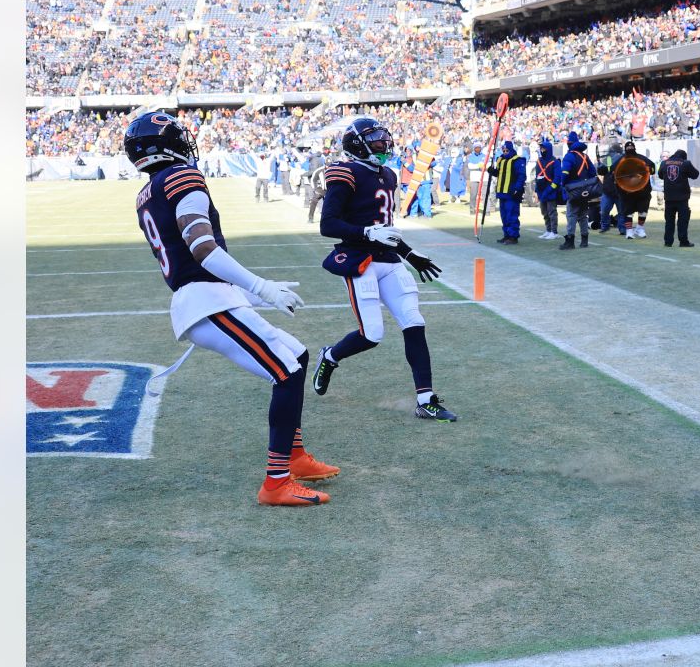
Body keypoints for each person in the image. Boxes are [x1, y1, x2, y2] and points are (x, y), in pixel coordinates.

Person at [124, 111, 336, 507]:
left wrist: (251, 295)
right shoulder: (180, 178)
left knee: (298, 354)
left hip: (209, 298)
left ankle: (295, 456)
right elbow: (201, 249)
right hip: (205, 303)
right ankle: (276, 482)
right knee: (286, 372)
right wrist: (261, 288)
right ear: (162, 144)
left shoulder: (149, 191)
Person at [310, 117, 458, 422]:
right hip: (360, 261)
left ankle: (426, 400)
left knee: (414, 322)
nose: (384, 143)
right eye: (376, 139)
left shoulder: (388, 175)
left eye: (384, 138)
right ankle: (330, 356)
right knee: (372, 334)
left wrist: (409, 254)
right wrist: (365, 233)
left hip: (389, 261)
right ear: (357, 144)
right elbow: (328, 225)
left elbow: (385, 229)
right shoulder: (345, 172)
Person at [559, 131, 599, 250]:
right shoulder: (585, 156)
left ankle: (570, 240)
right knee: (583, 215)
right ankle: (584, 240)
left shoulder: (569, 156)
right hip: (585, 190)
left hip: (573, 190)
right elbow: (592, 173)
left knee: (571, 215)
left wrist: (563, 185)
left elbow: (564, 173)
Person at [609, 141, 656, 239]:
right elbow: (611, 170)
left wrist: (649, 169)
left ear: (634, 148)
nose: (630, 150)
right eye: (628, 148)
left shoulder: (642, 158)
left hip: (643, 191)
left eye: (631, 148)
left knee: (643, 211)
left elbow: (652, 167)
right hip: (627, 192)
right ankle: (629, 231)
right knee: (628, 212)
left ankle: (640, 228)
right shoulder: (620, 160)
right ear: (625, 150)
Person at [486, 140, 525, 245]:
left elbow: (521, 176)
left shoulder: (517, 160)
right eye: (503, 150)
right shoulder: (501, 160)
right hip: (501, 192)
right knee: (504, 215)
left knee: (511, 214)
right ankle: (506, 235)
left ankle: (513, 236)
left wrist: (517, 188)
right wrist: (492, 171)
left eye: (507, 150)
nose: (505, 151)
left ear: (511, 149)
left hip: (512, 192)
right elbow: (499, 174)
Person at [657, 149, 699, 247]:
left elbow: (660, 175)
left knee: (669, 221)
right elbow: (695, 175)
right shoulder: (685, 163)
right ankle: (683, 241)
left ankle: (668, 242)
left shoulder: (664, 163)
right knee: (683, 221)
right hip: (682, 198)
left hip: (669, 197)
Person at [533, 138, 564, 240]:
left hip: (550, 191)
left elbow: (557, 178)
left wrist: (550, 189)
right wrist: (536, 190)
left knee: (552, 212)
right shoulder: (539, 161)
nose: (542, 150)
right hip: (542, 191)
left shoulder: (555, 162)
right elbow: (537, 176)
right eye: (541, 148)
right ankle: (548, 230)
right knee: (544, 212)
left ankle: (554, 232)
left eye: (543, 148)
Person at [596, 140, 625, 234]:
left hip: (619, 191)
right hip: (609, 190)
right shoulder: (609, 159)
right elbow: (601, 171)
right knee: (605, 210)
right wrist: (600, 165)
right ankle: (605, 226)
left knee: (620, 211)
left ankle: (622, 229)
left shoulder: (624, 160)